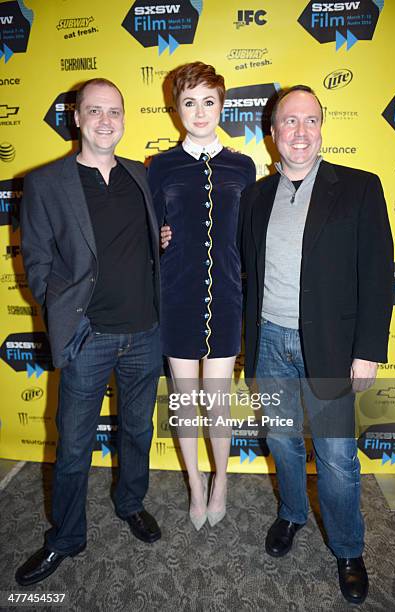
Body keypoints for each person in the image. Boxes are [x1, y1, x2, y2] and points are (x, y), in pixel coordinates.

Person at [238, 85, 394, 604]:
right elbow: (246, 273)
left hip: (330, 346)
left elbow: (377, 276)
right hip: (269, 343)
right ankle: (291, 513)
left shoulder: (359, 188)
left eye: (310, 120)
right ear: (273, 131)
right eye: (289, 121)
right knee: (281, 442)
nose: (300, 131)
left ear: (322, 127)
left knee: (335, 457)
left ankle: (349, 549)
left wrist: (368, 349)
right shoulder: (255, 196)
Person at [16, 78, 162, 586]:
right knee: (75, 445)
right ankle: (66, 538)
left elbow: (143, 241)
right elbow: (35, 260)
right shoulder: (45, 182)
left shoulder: (139, 176)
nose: (106, 120)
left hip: (146, 332)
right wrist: (66, 318)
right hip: (89, 337)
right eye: (95, 111)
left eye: (115, 111)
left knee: (138, 431)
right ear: (75, 117)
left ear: (125, 117)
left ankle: (130, 504)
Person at [148, 62, 256, 530]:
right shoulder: (161, 167)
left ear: (222, 105)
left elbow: (254, 234)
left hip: (227, 298)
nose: (199, 111)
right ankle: (194, 484)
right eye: (189, 102)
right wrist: (160, 237)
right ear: (176, 109)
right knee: (184, 401)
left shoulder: (242, 165)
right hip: (176, 297)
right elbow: (147, 231)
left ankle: (221, 481)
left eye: (208, 101)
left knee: (217, 401)